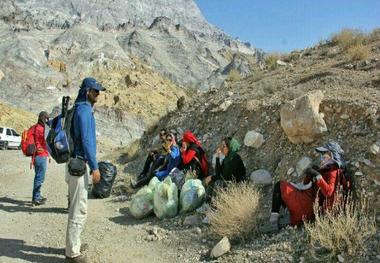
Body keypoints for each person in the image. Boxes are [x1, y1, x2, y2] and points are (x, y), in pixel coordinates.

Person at [65, 77, 105, 263]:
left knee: (76, 207)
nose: (98, 94)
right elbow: (88, 142)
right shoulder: (84, 111)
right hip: (80, 165)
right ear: (87, 91)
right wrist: (95, 167)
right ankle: (72, 254)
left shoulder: (79, 108)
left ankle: (74, 245)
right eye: (95, 91)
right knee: (78, 209)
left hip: (74, 163)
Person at [267, 141, 346, 233]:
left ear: (333, 156)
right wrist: (311, 175)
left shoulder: (333, 172)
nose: (323, 158)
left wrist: (317, 175)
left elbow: (328, 192)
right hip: (311, 207)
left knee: (279, 186)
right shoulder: (327, 170)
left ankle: (273, 223)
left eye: (325, 155)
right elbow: (306, 185)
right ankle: (289, 215)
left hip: (309, 206)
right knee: (287, 189)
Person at [31, 111, 51, 206]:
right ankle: (36, 198)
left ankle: (37, 195)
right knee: (39, 178)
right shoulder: (42, 129)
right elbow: (46, 143)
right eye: (46, 118)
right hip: (41, 155)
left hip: (36, 156)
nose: (47, 120)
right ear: (43, 118)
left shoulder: (35, 127)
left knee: (38, 176)